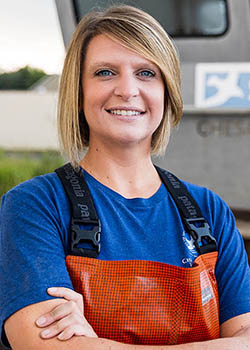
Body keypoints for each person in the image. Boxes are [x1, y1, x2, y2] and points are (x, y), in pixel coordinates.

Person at [0, 4, 250, 350]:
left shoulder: (210, 211)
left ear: (167, 91)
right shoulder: (35, 206)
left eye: (147, 73)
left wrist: (97, 342)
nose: (127, 90)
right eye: (105, 72)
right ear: (79, 91)